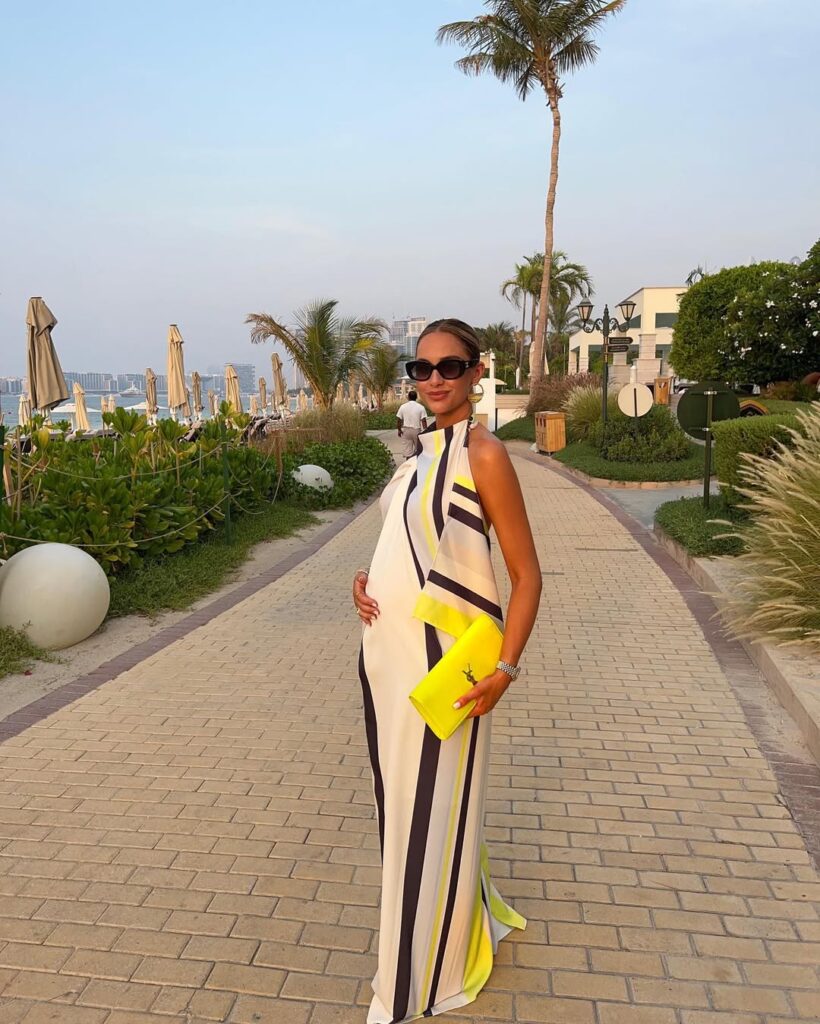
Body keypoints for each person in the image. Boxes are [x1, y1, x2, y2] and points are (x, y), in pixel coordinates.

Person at [352, 318, 542, 1023]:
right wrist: (364, 580)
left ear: (476, 371)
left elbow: (527, 577)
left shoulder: (484, 454)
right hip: (387, 662)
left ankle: (415, 981)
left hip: (447, 672)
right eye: (422, 367)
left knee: (426, 815)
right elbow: (404, 547)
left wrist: (508, 669)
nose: (434, 379)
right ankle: (459, 923)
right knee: (407, 812)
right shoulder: (417, 456)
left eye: (450, 367)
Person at [395, 389, 428, 459]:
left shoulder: (403, 407)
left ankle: (409, 466)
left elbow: (399, 420)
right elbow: (423, 420)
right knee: (419, 450)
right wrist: (426, 431)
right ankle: (417, 465)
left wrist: (399, 430)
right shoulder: (421, 407)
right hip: (416, 430)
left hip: (406, 430)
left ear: (408, 397)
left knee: (408, 452)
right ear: (416, 397)